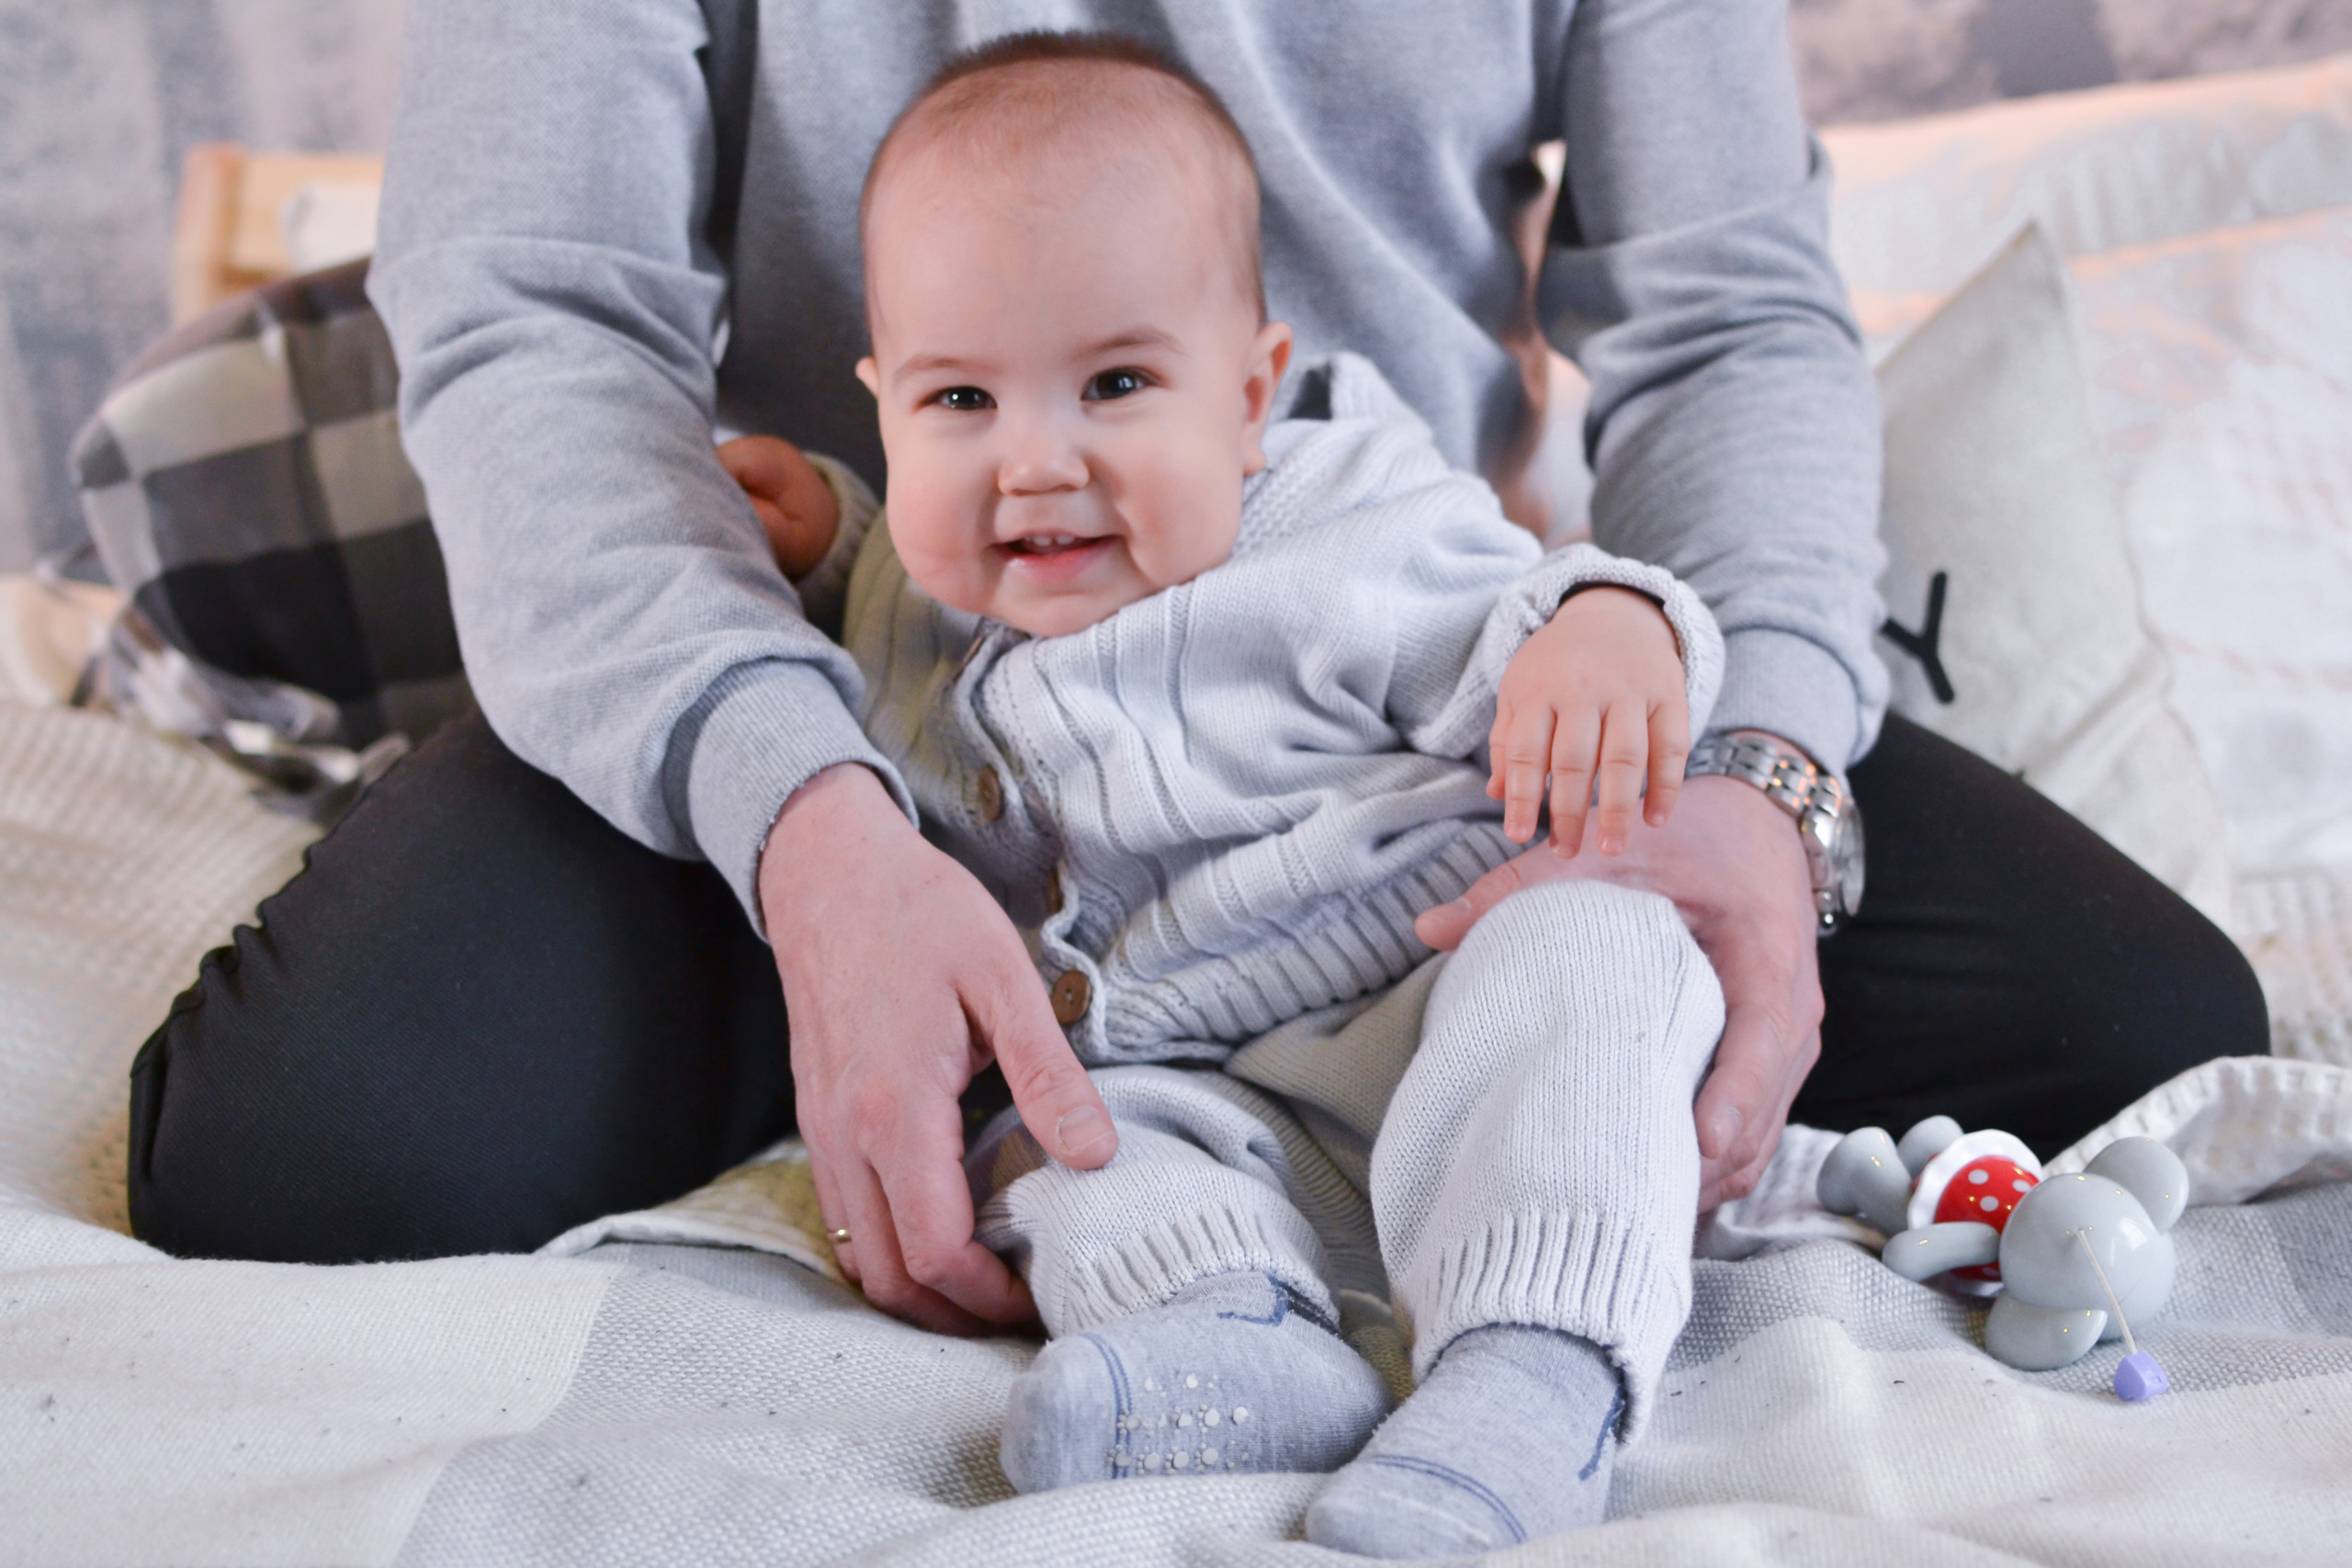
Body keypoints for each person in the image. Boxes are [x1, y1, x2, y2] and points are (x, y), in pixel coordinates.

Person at [127, 0, 2261, 1373]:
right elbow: (535, 322)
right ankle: (995, 1043)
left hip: (1397, 734)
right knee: (286, 1161)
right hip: (849, 690)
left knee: (2138, 1026)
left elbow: (1725, 326)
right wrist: (796, 813)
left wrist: (1756, 765)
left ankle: (1292, 1071)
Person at [717, 37, 1731, 1549]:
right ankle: (1242, 1343)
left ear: (1253, 394)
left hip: (1422, 999)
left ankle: (1533, 1380)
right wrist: (825, 545)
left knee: (1600, 957)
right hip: (1161, 1076)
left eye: (1116, 383)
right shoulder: (909, 595)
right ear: (883, 405)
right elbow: (873, 629)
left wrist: (1610, 626)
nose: (1033, 466)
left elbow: (1518, 611)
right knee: (1050, 1150)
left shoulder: (1342, 523)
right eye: (958, 404)